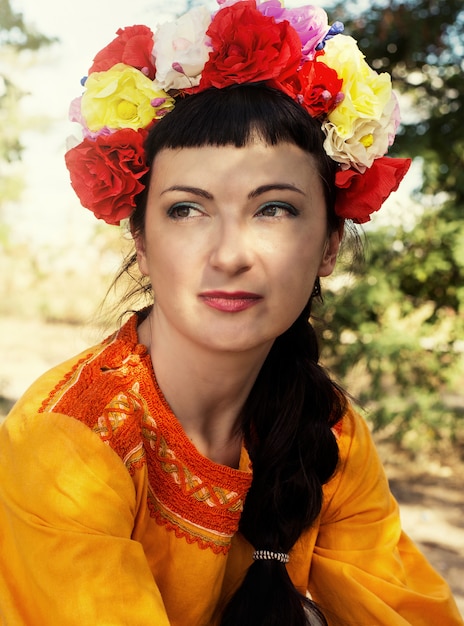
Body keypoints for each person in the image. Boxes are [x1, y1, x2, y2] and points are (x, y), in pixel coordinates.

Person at [0, 2, 462, 625]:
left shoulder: (332, 433)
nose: (230, 255)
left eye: (274, 208)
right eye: (187, 209)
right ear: (140, 239)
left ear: (329, 243)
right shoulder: (70, 438)